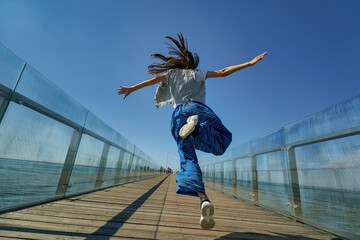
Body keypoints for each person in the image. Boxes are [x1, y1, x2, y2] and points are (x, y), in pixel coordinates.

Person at [117, 33, 267, 230]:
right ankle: (197, 130)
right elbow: (222, 72)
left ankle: (203, 198)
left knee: (188, 159)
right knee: (222, 140)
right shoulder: (196, 74)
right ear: (191, 64)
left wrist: (131, 88)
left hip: (178, 117)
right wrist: (248, 63)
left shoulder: (171, 75)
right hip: (198, 110)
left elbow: (153, 80)